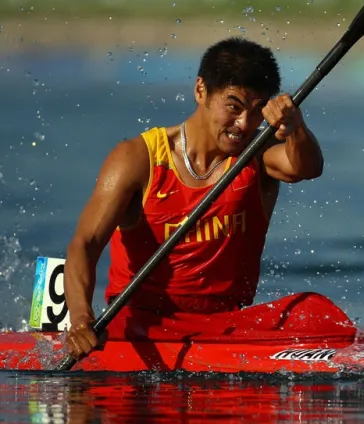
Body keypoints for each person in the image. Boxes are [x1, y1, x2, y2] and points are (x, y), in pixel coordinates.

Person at [64, 36, 324, 360]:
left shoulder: (256, 155)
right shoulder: (137, 159)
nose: (243, 125)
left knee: (315, 311)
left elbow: (308, 168)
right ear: (201, 90)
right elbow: (85, 243)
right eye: (234, 107)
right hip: (143, 325)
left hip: (227, 324)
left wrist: (296, 127)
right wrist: (80, 320)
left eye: (257, 112)